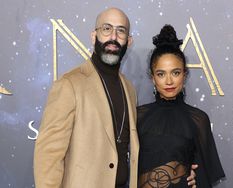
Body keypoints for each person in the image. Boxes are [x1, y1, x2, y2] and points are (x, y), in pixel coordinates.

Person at [34, 8, 196, 188]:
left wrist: (183, 169)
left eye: (121, 30)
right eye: (106, 28)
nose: (113, 36)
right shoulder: (70, 85)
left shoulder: (129, 88)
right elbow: (48, 156)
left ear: (129, 40)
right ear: (94, 36)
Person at [137, 25, 225, 188]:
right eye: (161, 74)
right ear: (152, 77)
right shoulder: (138, 116)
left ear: (184, 75)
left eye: (175, 73)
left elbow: (203, 175)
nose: (169, 81)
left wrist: (194, 177)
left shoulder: (198, 119)